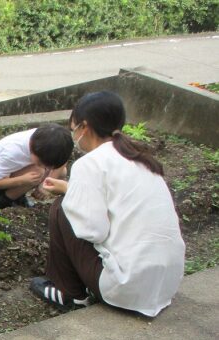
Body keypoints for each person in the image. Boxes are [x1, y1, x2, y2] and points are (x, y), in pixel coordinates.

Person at [31, 91, 185, 317]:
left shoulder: (89, 163)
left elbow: (93, 231)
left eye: (74, 129)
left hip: (127, 287)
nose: (75, 135)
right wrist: (73, 189)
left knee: (61, 209)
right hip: (166, 283)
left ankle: (70, 293)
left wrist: (72, 197)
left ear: (85, 127)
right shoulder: (140, 158)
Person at [0, 124, 73, 209]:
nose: (45, 166)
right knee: (38, 172)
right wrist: (23, 180)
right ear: (31, 145)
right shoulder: (13, 152)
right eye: (40, 162)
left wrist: (45, 184)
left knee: (62, 171)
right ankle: (2, 202)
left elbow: (61, 163)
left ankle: (18, 195)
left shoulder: (45, 140)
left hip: (8, 175)